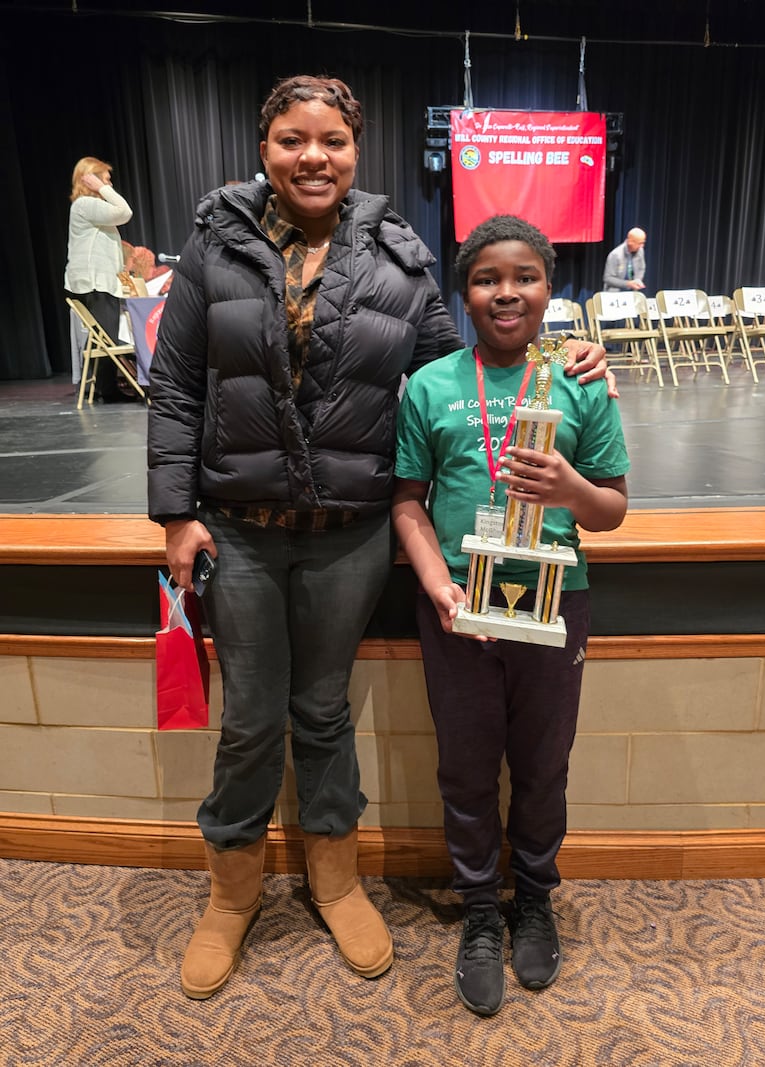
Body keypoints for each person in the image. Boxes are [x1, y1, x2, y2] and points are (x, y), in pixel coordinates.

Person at [146, 75, 610, 1002]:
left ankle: (337, 878)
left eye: (332, 140)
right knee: (248, 722)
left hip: (349, 534)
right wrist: (176, 512)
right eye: (290, 138)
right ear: (264, 145)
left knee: (322, 712)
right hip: (238, 526)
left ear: (357, 150)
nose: (312, 155)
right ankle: (229, 897)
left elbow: (465, 366)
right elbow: (176, 385)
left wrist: (567, 352)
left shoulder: (400, 257)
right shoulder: (211, 245)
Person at [392, 215, 629, 1017]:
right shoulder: (430, 387)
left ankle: (534, 896)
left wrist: (570, 490)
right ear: (464, 293)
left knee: (542, 763)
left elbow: (612, 511)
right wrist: (437, 585)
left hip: (556, 601)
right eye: (488, 278)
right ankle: (481, 912)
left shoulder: (580, 379)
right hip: (460, 607)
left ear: (548, 288)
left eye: (524, 276)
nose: (506, 292)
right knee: (464, 767)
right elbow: (408, 505)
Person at [64, 156, 135, 402]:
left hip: (97, 281)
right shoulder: (86, 204)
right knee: (110, 339)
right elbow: (125, 212)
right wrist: (100, 188)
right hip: (95, 282)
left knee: (105, 337)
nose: (110, 185)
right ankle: (117, 387)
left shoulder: (90, 208)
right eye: (106, 179)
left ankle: (107, 389)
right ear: (91, 179)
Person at [602, 227, 646, 292]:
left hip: (632, 292)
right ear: (630, 242)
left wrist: (637, 280)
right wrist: (628, 284)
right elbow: (608, 278)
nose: (642, 246)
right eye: (639, 243)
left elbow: (641, 268)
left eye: (643, 243)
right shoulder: (615, 255)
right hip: (615, 293)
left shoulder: (640, 251)